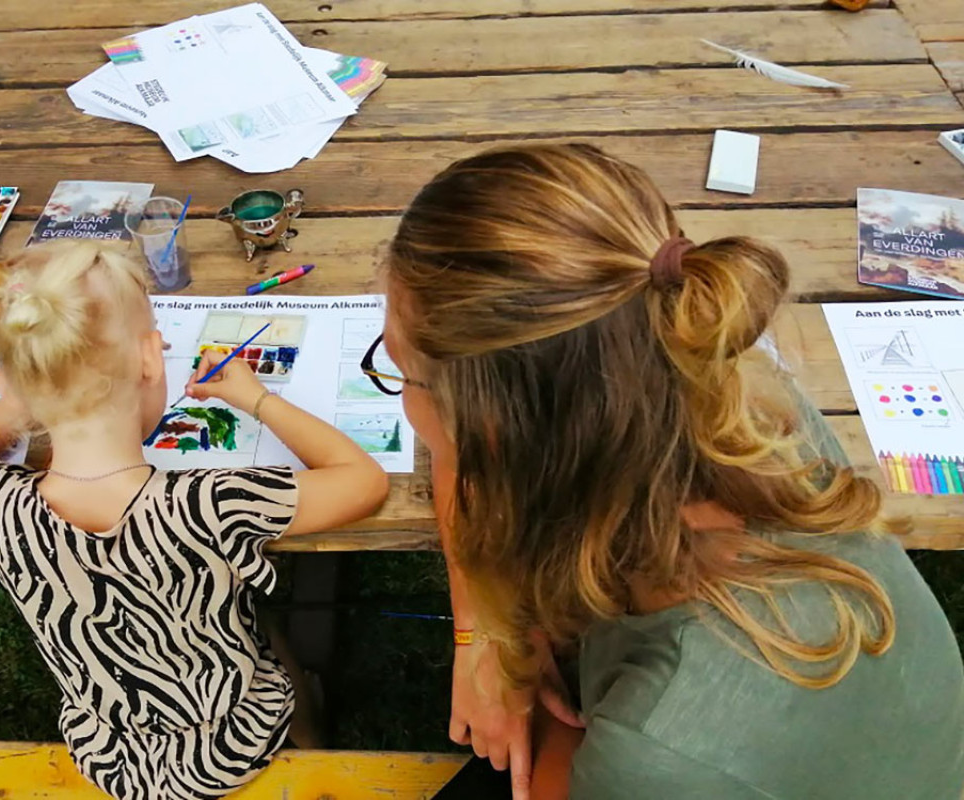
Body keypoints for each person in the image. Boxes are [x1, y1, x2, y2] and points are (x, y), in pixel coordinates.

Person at [371, 144, 964, 799]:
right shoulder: (735, 401)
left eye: (404, 374)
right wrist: (484, 634)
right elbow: (473, 447)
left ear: (510, 435)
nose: (402, 396)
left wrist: (508, 653)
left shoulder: (658, 748)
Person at [0, 241, 388, 800]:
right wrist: (258, 399)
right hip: (231, 742)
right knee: (268, 641)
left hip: (108, 751)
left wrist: (39, 387)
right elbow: (363, 481)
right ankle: (309, 730)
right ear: (149, 360)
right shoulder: (206, 505)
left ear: (11, 383)